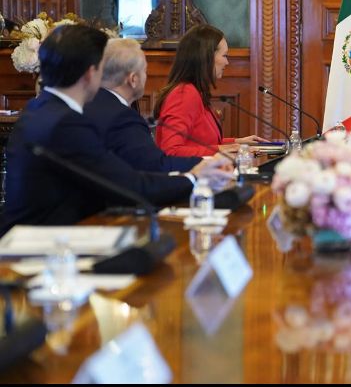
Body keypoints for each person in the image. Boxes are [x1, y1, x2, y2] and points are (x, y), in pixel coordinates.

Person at [2, 25, 232, 234]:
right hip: (40, 245)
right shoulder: (66, 124)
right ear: (91, 73)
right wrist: (195, 178)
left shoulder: (38, 108)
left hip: (37, 234)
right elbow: (131, 186)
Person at [83, 38, 201, 172]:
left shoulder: (86, 104)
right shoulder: (122, 118)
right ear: (133, 79)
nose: (146, 76)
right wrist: (207, 162)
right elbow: (156, 166)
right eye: (145, 71)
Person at [154, 24, 263, 156]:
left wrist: (237, 142)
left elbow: (202, 143)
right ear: (206, 57)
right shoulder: (184, 94)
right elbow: (171, 151)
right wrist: (222, 149)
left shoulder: (194, 91)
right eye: (224, 56)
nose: (227, 62)